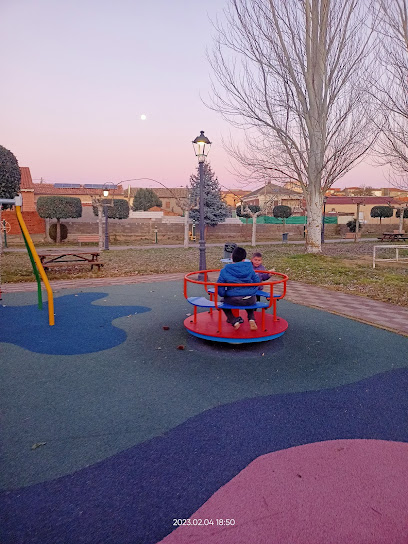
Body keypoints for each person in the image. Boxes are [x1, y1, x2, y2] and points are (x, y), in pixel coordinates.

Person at [217, 246, 260, 331]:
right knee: (249, 300)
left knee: (222, 302)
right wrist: (253, 291)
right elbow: (257, 281)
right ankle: (251, 319)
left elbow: (220, 287)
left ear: (231, 258)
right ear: (244, 259)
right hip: (250, 298)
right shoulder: (249, 268)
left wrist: (224, 294)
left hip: (233, 299)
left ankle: (233, 320)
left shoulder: (225, 270)